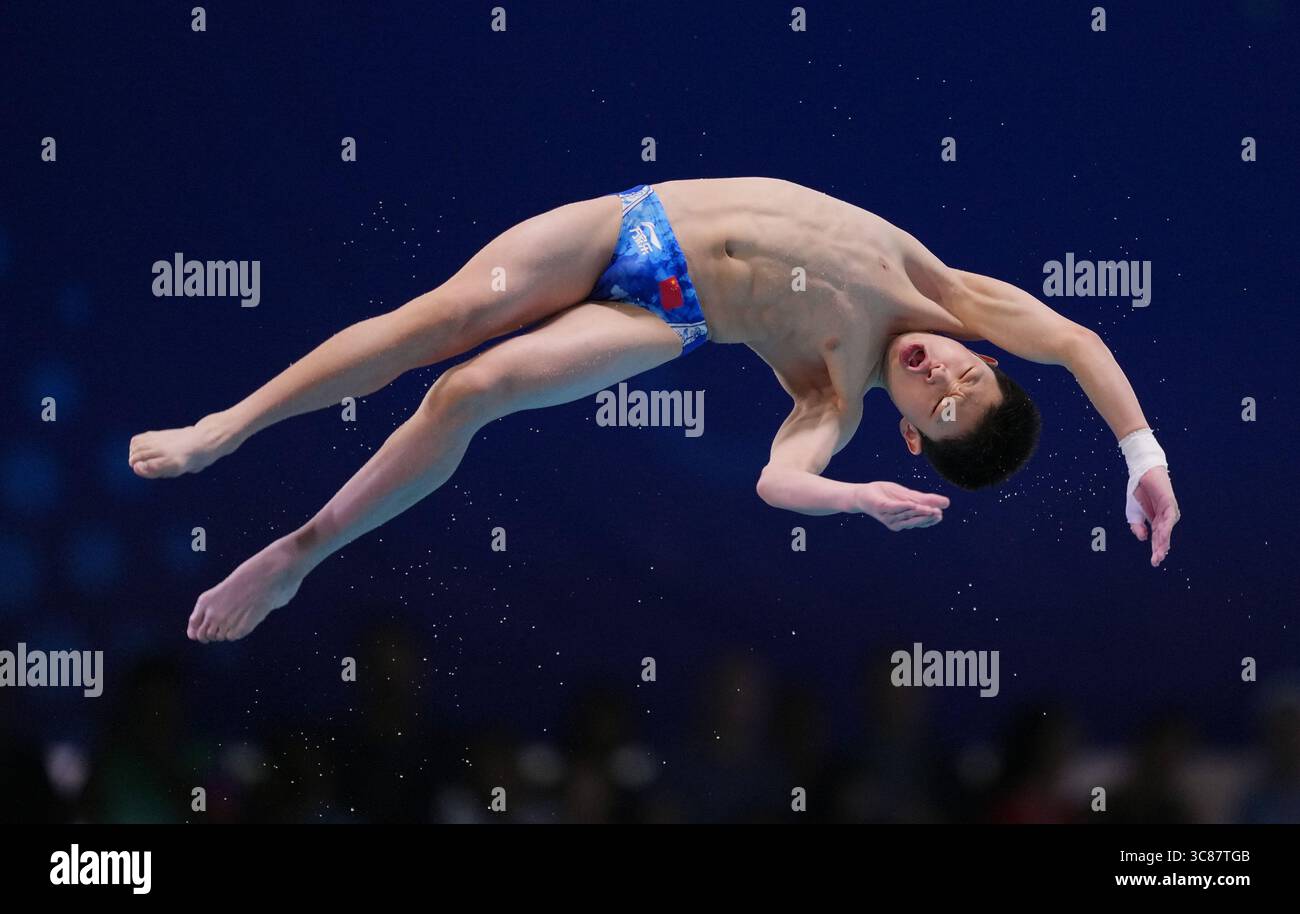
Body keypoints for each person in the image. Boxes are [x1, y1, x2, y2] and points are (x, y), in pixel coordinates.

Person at [127, 178, 1180, 642]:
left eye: (937, 405)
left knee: (469, 390)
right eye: (967, 374)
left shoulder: (831, 393)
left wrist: (853, 495)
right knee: (436, 322)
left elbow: (776, 479)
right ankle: (226, 425)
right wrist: (1142, 458)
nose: (941, 374)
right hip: (628, 223)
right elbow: (1084, 343)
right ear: (983, 351)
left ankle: (299, 551)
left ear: (909, 429)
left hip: (663, 311)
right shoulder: (955, 292)